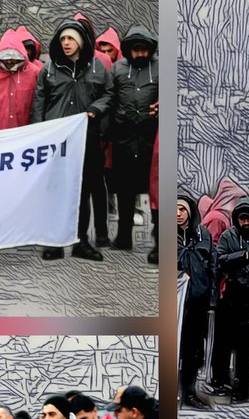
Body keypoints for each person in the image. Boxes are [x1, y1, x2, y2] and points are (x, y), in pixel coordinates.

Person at [31, 20, 114, 261]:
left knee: (83, 189)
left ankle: (80, 241)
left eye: (70, 39)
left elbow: (109, 94)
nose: (65, 43)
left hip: (87, 139)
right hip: (56, 140)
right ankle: (55, 242)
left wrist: (96, 109)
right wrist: (39, 132)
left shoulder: (97, 67)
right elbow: (39, 101)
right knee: (57, 191)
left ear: (80, 42)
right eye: (62, 39)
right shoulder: (49, 69)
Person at [110, 26, 159, 252]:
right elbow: (109, 96)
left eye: (144, 50)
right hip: (124, 137)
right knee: (124, 189)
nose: (140, 54)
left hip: (151, 137)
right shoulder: (117, 69)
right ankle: (123, 236)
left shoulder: (160, 68)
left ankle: (159, 238)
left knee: (156, 190)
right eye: (135, 50)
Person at [213, 199, 249, 401]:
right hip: (232, 294)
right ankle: (221, 381)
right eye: (242, 218)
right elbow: (221, 260)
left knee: (245, 345)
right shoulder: (228, 236)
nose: (246, 222)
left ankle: (243, 389)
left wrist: (246, 262)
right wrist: (245, 255)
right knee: (224, 341)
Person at [177, 194, 217, 409]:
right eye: (174, 209)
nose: (178, 213)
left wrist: (212, 299)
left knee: (194, 348)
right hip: (175, 303)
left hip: (198, 301)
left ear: (190, 211)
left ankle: (189, 391)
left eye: (182, 209)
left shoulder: (203, 234)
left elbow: (212, 266)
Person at [0, 28, 39, 131]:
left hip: (27, 135)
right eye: (6, 59)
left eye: (13, 59)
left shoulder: (34, 73)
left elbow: (40, 105)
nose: (9, 62)